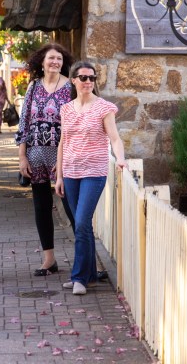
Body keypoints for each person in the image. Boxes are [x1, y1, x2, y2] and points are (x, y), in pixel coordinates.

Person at [55, 61, 126, 296]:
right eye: (83, 78)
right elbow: (63, 143)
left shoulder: (104, 108)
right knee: (79, 226)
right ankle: (90, 275)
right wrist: (59, 176)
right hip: (71, 172)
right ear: (73, 80)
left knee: (83, 223)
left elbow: (115, 138)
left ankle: (79, 278)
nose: (88, 82)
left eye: (92, 78)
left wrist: (121, 159)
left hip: (94, 172)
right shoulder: (66, 109)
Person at [15, 43, 74, 277]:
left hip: (62, 155)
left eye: (59, 58)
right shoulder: (33, 87)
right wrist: (22, 156)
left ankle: (84, 258)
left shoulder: (71, 87)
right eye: (51, 58)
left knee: (71, 206)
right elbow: (24, 122)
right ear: (42, 62)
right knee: (41, 207)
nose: (55, 62)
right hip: (36, 154)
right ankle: (49, 259)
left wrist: (63, 158)